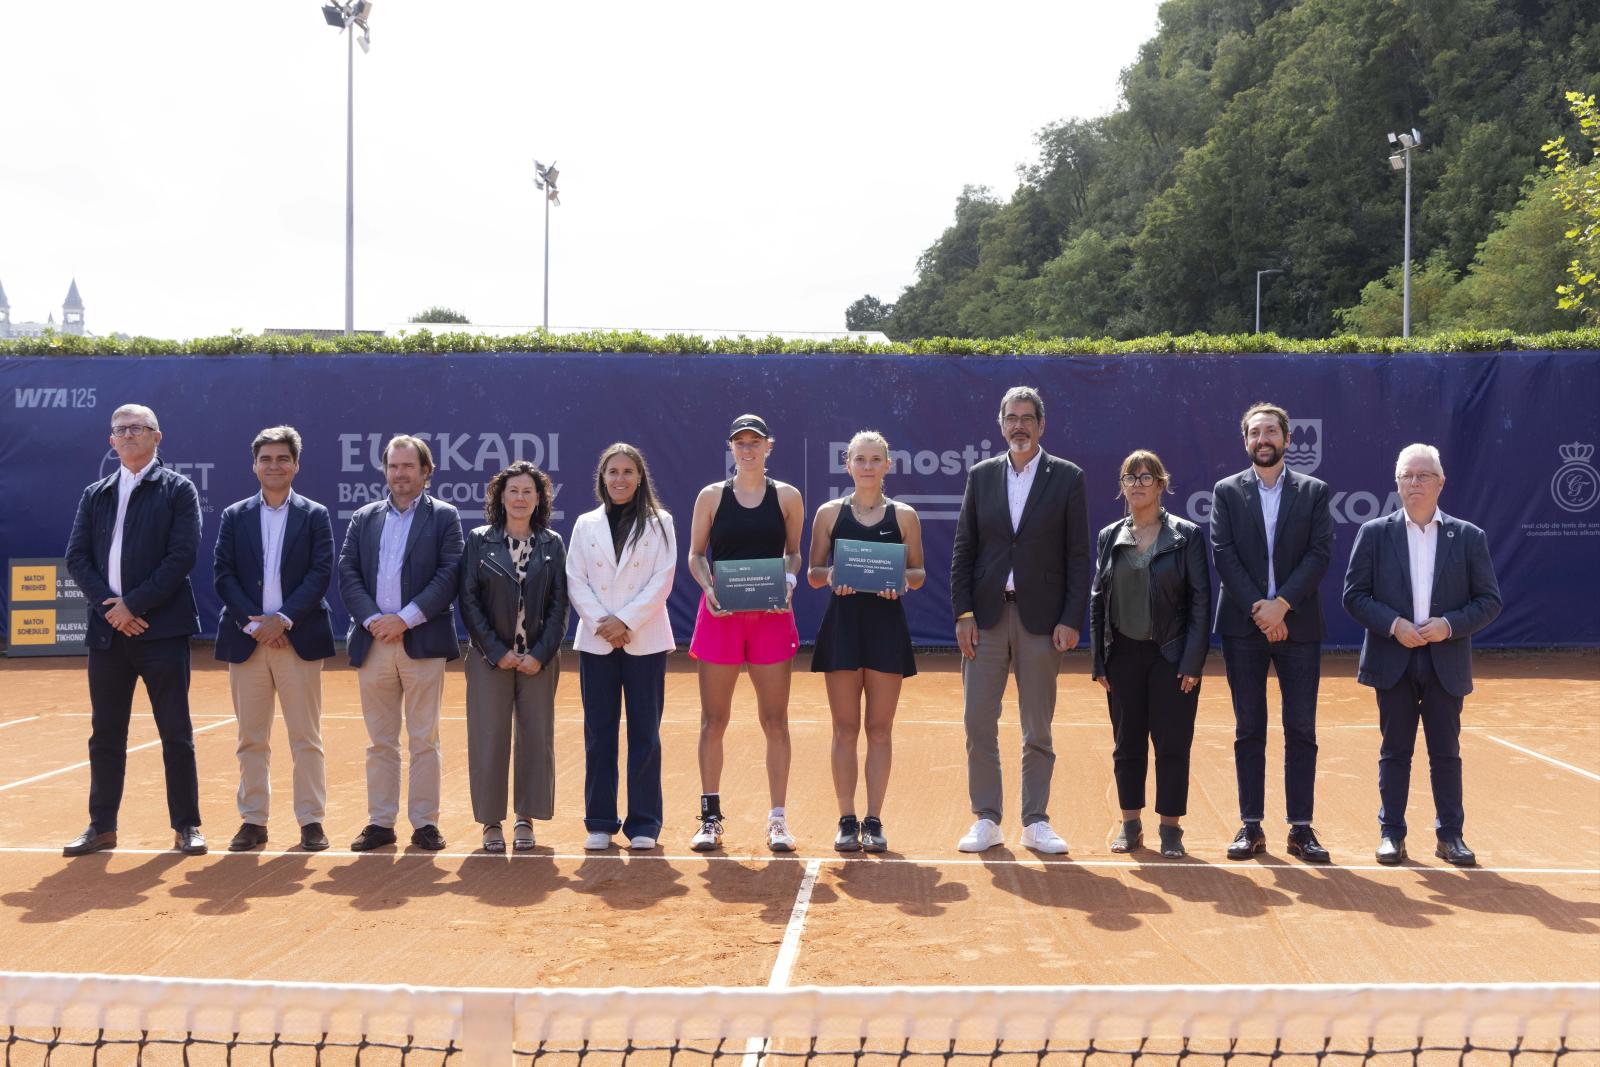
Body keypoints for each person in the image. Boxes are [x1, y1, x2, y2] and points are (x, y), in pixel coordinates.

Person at [1343, 443, 1502, 867]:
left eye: (1423, 476)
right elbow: (1354, 596)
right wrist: (1395, 625)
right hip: (1392, 658)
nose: (1414, 483)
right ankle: (1391, 834)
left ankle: (1450, 836)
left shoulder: (1469, 537)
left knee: (1445, 752)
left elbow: (1488, 600)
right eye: (1407, 476)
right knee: (1394, 751)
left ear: (1440, 482)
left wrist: (1447, 625)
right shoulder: (1374, 533)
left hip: (1445, 662)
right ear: (1397, 483)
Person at [950, 386, 1090, 855]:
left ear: (1041, 425)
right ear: (1001, 423)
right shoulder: (981, 475)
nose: (1019, 426)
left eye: (1027, 418)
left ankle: (1035, 821)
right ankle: (987, 819)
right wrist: (964, 613)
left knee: (1038, 728)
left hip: (1041, 621)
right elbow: (964, 550)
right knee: (977, 721)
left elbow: (1077, 556)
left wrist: (1071, 617)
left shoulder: (1067, 477)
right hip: (986, 617)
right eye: (1011, 418)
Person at [63, 404, 206, 856]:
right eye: (120, 430)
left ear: (156, 437)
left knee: (175, 732)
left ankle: (187, 826)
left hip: (161, 632)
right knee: (105, 733)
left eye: (136, 428)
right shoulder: (95, 493)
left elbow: (181, 557)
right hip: (108, 635)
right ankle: (101, 826)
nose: (127, 435)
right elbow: (77, 557)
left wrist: (133, 605)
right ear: (111, 441)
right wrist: (112, 609)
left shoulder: (178, 490)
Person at [1210, 403, 1335, 863]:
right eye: (1255, 432)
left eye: (1271, 432)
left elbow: (1319, 553)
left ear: (1286, 439)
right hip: (1243, 627)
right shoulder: (1226, 492)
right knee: (1249, 729)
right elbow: (1223, 553)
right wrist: (1260, 610)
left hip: (1297, 625)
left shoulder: (1314, 491)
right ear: (1246, 442)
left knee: (1301, 728)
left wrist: (1282, 605)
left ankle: (1300, 829)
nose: (1263, 439)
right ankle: (1251, 826)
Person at [212, 426, 336, 853]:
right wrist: (257, 625)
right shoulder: (233, 516)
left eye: (282, 458)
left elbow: (321, 573)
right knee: (251, 738)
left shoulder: (315, 514)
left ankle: (311, 821)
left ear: (296, 465)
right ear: (255, 465)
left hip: (297, 641)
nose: (274, 465)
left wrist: (282, 621)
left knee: (306, 737)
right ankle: (254, 820)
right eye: (266, 459)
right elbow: (223, 574)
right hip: (248, 642)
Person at [337, 434, 464, 852]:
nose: (400, 474)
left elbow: (448, 574)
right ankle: (380, 822)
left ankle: (425, 823)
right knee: (380, 741)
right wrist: (375, 620)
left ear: (426, 473)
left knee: (424, 737)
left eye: (409, 466)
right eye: (393, 466)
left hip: (421, 640)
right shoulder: (365, 517)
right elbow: (348, 572)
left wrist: (404, 619)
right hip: (373, 641)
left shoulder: (444, 517)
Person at [686, 414, 804, 852]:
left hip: (772, 617)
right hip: (720, 614)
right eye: (740, 442)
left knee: (775, 720)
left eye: (755, 442)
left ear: (769, 446)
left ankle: (777, 819)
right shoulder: (711, 497)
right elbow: (697, 555)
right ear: (731, 448)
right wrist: (708, 586)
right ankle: (711, 818)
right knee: (713, 719)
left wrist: (789, 582)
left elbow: (793, 554)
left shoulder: (788, 497)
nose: (748, 449)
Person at [806, 431, 924, 853]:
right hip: (843, 626)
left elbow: (918, 573)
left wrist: (900, 584)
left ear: (887, 465)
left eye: (876, 459)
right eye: (861, 459)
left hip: (886, 627)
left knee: (878, 729)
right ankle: (845, 819)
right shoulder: (828, 514)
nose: (868, 466)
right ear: (848, 464)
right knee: (844, 728)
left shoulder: (905, 516)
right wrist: (833, 577)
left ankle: (873, 820)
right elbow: (814, 572)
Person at [1090, 450, 1210, 858]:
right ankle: (1130, 825)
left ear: (1161, 485)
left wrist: (1192, 661)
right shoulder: (1110, 536)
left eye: (1146, 477)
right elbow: (1097, 600)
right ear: (1122, 485)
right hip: (1122, 656)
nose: (1138, 484)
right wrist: (1098, 660)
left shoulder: (1186, 536)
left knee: (1172, 743)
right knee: (1127, 744)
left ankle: (1171, 829)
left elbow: (1200, 603)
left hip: (1171, 657)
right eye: (1130, 477)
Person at [566, 443, 676, 851]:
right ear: (602, 477)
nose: (620, 479)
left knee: (645, 734)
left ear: (640, 476)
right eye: (613, 471)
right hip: (597, 643)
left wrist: (625, 621)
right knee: (599, 733)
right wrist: (603, 624)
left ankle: (644, 823)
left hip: (644, 640)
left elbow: (662, 580)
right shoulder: (584, 524)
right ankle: (599, 821)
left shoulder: (661, 521)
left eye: (628, 471)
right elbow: (575, 579)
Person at [459, 461, 568, 853]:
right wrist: (495, 650)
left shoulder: (552, 543)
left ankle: (526, 817)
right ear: (500, 497)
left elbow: (559, 604)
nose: (520, 498)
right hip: (491, 659)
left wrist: (540, 653)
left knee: (536, 738)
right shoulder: (478, 540)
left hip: (538, 661)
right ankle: (491, 822)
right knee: (489, 737)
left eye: (528, 492)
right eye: (513, 491)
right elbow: (468, 600)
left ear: (539, 499)